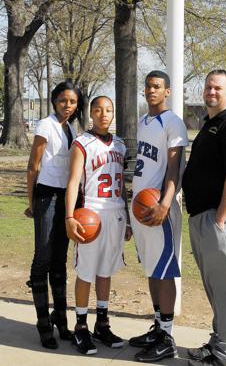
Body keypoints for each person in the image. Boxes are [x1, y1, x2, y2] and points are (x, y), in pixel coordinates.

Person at [182, 69, 226, 366]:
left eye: (218, 88)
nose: (211, 92)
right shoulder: (211, 124)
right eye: (208, 87)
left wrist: (220, 220)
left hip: (217, 218)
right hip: (202, 217)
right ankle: (219, 343)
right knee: (217, 289)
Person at [129, 70, 189, 363]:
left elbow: (176, 167)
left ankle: (167, 337)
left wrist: (166, 202)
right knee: (152, 269)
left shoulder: (173, 122)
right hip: (141, 208)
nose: (151, 90)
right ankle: (158, 327)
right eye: (148, 86)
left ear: (167, 91)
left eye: (157, 87)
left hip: (159, 208)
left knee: (164, 271)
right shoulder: (143, 121)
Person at [65, 95, 132, 356]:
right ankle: (81, 327)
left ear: (113, 114)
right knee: (86, 271)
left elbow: (122, 187)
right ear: (91, 114)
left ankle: (101, 323)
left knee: (106, 271)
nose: (104, 114)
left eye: (108, 110)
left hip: (115, 212)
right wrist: (70, 217)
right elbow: (73, 183)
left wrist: (126, 218)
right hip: (90, 213)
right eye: (98, 110)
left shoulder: (121, 144)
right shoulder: (82, 143)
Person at [26, 81, 84, 349]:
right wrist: (31, 202)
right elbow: (33, 165)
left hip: (65, 199)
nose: (68, 106)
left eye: (72, 102)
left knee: (60, 260)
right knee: (43, 258)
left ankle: (60, 319)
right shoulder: (45, 125)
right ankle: (42, 322)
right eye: (63, 101)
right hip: (46, 196)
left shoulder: (71, 128)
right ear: (54, 101)